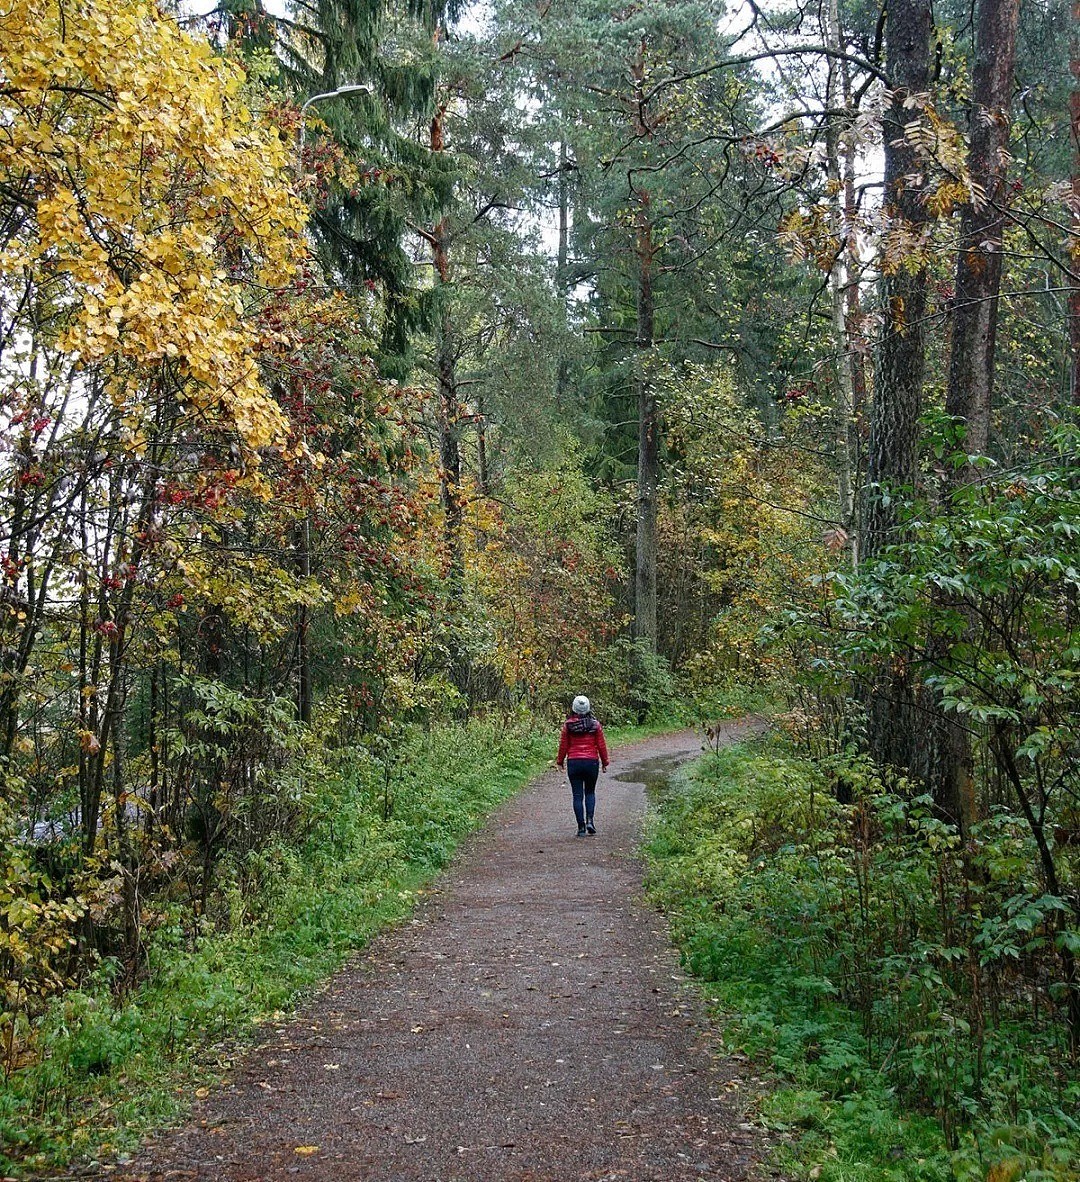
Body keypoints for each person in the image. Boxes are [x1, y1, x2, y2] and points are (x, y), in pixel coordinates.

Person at [556, 695, 609, 837]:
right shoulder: (595, 725)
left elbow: (563, 746)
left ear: (574, 708)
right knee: (590, 792)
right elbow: (601, 746)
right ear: (588, 708)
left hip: (574, 762)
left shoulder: (568, 726)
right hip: (591, 762)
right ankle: (590, 821)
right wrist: (605, 762)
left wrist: (560, 761)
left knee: (577, 796)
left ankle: (581, 827)